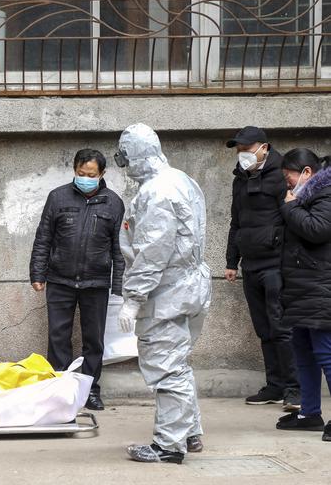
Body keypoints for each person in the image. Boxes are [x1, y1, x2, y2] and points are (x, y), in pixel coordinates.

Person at [114, 123, 211, 464]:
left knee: (166, 367)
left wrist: (133, 299)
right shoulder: (182, 179)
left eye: (123, 157)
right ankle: (189, 432)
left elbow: (152, 252)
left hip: (166, 291)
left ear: (135, 156)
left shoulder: (156, 192)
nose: (123, 165)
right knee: (178, 365)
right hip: (188, 286)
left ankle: (169, 445)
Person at [30, 148, 125, 411]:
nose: (85, 178)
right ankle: (60, 389)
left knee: (93, 340)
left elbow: (119, 247)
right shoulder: (58, 197)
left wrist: (117, 285)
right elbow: (43, 238)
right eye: (81, 173)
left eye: (91, 175)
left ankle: (90, 390)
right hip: (60, 279)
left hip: (96, 282)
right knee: (58, 336)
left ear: (102, 174)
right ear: (75, 171)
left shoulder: (113, 203)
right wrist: (37, 273)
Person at [225, 126, 300, 410]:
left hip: (276, 264)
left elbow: (293, 217)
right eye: (239, 149)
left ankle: (295, 388)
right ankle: (275, 385)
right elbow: (236, 221)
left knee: (282, 327)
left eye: (247, 148)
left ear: (264, 148)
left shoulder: (282, 175)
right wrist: (232, 261)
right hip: (251, 264)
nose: (242, 153)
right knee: (264, 329)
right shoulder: (240, 178)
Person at [275, 148, 331, 441]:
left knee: (326, 353)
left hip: (321, 288)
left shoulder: (325, 194)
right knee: (304, 353)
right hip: (301, 287)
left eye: (290, 177)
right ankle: (309, 413)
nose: (287, 183)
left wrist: (291, 207)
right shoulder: (304, 197)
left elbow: (318, 230)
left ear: (307, 173)